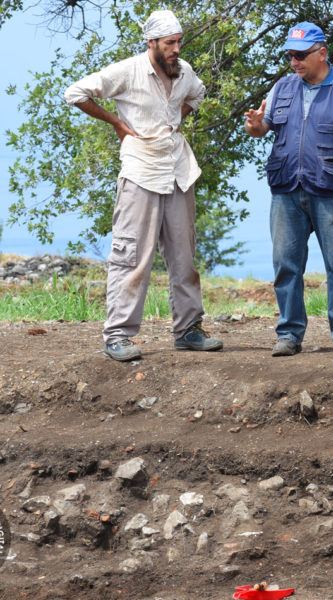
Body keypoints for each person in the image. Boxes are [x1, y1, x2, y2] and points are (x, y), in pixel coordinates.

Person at [64, 9, 223, 362]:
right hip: (140, 173)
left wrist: (173, 120)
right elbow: (75, 93)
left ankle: (188, 330)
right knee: (131, 257)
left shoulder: (184, 71)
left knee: (184, 256)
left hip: (179, 170)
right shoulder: (128, 70)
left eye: (179, 42)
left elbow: (196, 95)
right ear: (151, 42)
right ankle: (118, 335)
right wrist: (116, 123)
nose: (176, 49)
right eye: (169, 43)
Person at [244, 22, 333, 358]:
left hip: (329, 190)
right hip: (286, 190)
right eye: (290, 55)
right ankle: (288, 334)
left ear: (321, 53)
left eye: (300, 55)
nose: (294, 62)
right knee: (286, 264)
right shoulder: (281, 87)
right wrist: (254, 125)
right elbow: (261, 127)